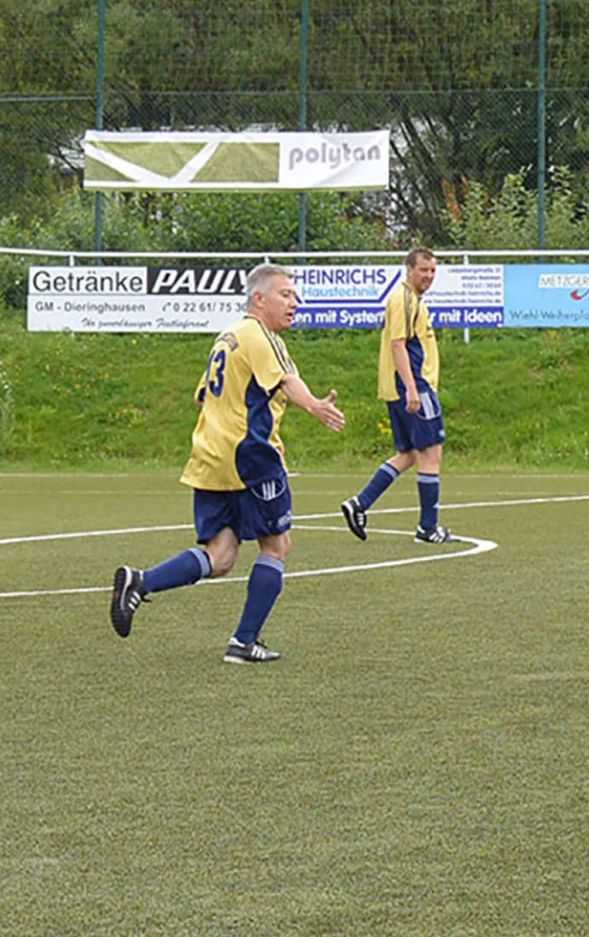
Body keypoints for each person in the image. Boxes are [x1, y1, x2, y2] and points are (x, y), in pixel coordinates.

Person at [110, 264, 347, 663]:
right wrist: (315, 407)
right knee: (276, 546)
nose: (295, 302)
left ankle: (141, 581)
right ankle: (243, 641)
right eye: (286, 294)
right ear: (259, 298)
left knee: (220, 557)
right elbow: (287, 381)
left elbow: (203, 396)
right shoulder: (260, 335)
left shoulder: (228, 336)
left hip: (210, 457)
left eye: (295, 295)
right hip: (249, 459)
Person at [341, 246, 454, 544]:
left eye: (433, 270)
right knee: (432, 453)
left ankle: (359, 504)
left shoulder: (413, 300)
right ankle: (427, 528)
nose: (429, 276)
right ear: (409, 269)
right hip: (413, 386)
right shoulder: (403, 299)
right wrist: (413, 389)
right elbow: (398, 345)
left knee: (410, 454)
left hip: (403, 387)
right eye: (423, 270)